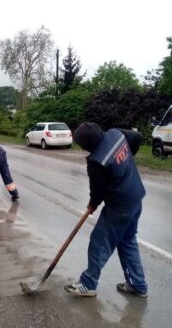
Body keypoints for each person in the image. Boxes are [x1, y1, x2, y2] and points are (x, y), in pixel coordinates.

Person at [64, 122, 148, 298]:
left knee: (98, 242)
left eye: (82, 145)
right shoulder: (116, 133)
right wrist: (127, 160)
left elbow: (98, 192)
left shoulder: (97, 161)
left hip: (119, 208)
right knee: (127, 242)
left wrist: (92, 205)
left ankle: (88, 284)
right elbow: (136, 137)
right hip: (136, 197)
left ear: (87, 144)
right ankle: (138, 285)